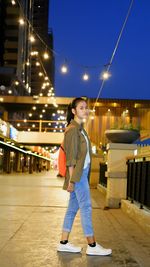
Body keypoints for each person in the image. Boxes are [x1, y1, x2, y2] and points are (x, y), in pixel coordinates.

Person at [57, 97, 112, 256]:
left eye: (86, 107)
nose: (85, 110)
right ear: (73, 111)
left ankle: (63, 242)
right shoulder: (73, 130)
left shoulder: (80, 128)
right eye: (81, 108)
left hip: (82, 174)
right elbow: (71, 159)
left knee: (72, 209)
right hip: (78, 176)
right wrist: (72, 180)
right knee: (86, 207)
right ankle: (92, 245)